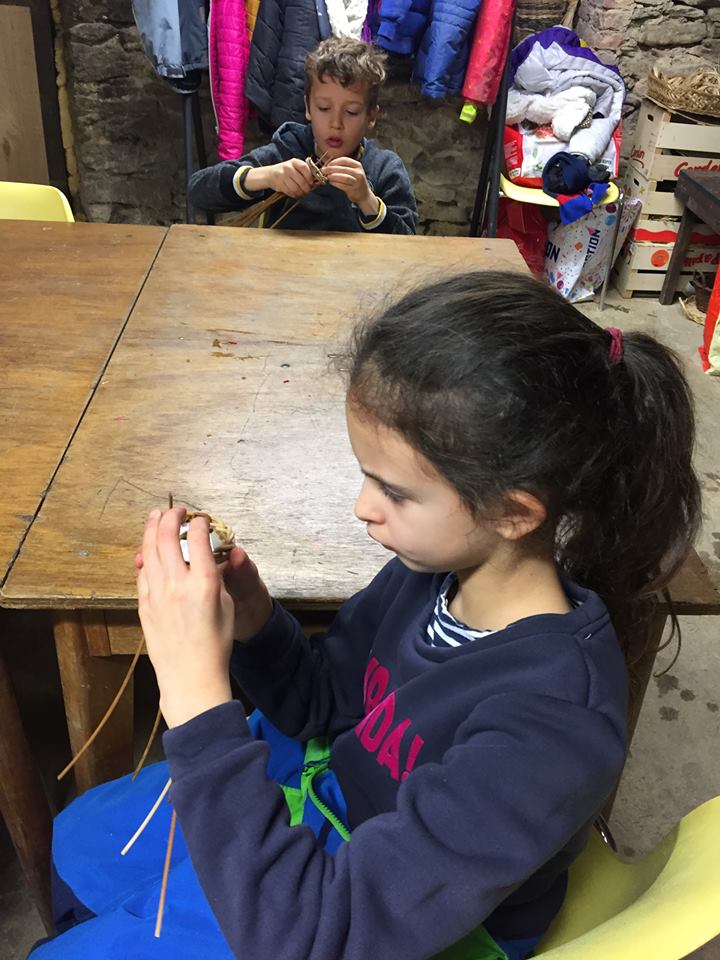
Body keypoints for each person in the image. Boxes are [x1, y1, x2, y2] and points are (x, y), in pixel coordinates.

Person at [33, 272, 700, 960]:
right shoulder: (432, 576)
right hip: (335, 804)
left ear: (512, 511)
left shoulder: (553, 727)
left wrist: (195, 701)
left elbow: (314, 938)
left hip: (360, 917)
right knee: (81, 843)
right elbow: (323, 700)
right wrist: (254, 615)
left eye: (393, 491)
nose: (362, 507)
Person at [188, 37, 418, 234]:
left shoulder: (383, 168)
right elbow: (198, 191)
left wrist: (366, 200)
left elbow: (406, 244)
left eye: (351, 112)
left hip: (355, 271)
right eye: (324, 108)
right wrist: (266, 176)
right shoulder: (288, 150)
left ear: (371, 116)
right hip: (282, 268)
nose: (335, 124)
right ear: (308, 107)